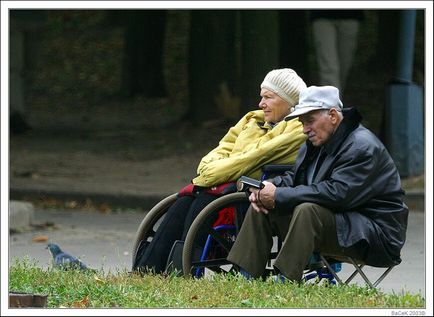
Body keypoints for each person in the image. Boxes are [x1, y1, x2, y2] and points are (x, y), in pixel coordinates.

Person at [133, 68, 308, 274]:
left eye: (268, 98)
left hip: (254, 188)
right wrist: (211, 171)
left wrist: (212, 174)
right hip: (226, 180)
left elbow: (253, 157)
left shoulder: (298, 127)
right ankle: (146, 269)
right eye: (261, 97)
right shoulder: (252, 120)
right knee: (183, 201)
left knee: (203, 199)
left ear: (289, 101)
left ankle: (180, 271)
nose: (261, 103)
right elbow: (221, 150)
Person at [227, 85, 409, 282]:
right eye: (302, 122)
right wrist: (268, 188)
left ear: (332, 115)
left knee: (308, 210)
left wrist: (278, 195)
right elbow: (295, 178)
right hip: (343, 225)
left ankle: (284, 282)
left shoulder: (362, 147)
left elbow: (337, 195)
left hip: (375, 236)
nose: (305, 129)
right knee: (262, 206)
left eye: (310, 121)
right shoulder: (317, 141)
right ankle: (244, 278)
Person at [310, 10, 364, 95]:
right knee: (329, 68)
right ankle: (332, 105)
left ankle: (333, 101)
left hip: (351, 14)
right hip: (322, 14)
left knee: (343, 69)